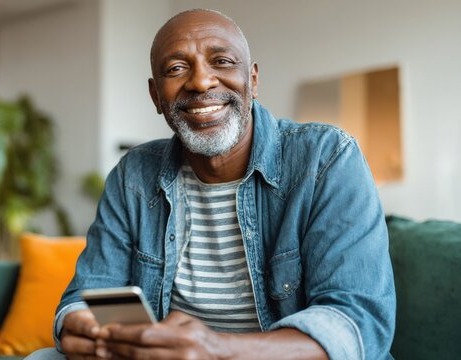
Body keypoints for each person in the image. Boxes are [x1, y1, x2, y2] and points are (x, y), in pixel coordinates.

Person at [27, 8, 395, 360]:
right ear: (157, 96)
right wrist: (78, 325)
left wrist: (217, 352)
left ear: (252, 79)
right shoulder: (133, 175)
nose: (201, 81)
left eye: (222, 62)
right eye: (176, 68)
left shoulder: (327, 157)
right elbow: (89, 294)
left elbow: (357, 323)